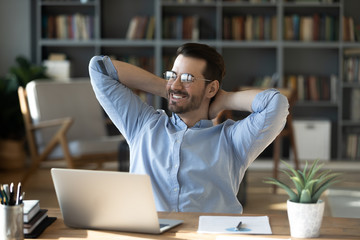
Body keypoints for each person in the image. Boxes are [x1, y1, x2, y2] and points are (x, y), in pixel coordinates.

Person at [89, 43, 289, 213]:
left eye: (187, 79)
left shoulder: (231, 139)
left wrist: (223, 100)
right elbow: (99, 68)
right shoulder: (142, 124)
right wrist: (169, 89)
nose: (176, 84)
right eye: (173, 75)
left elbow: (276, 104)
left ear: (211, 88)